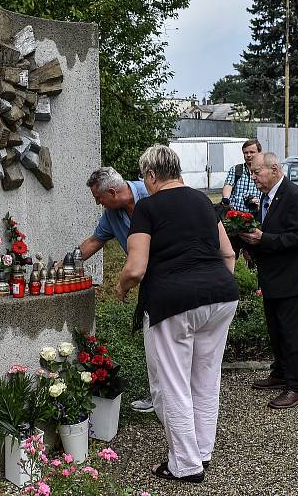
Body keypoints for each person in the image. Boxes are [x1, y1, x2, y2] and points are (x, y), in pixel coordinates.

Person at [117, 145, 239, 483]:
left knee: (172, 383)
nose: (144, 182)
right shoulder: (203, 201)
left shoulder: (147, 207)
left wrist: (122, 287)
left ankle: (185, 465)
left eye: (144, 176)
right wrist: (212, 285)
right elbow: (227, 254)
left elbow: (136, 267)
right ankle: (201, 452)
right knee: (205, 379)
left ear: (152, 176)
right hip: (221, 297)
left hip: (172, 303)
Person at [238, 152, 298, 409]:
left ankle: (296, 387)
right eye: (251, 172)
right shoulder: (266, 196)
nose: (253, 177)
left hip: (292, 278)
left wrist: (263, 239)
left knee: (291, 333)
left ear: (274, 169)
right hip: (273, 276)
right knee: (276, 330)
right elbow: (273, 231)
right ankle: (280, 373)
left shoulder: (294, 195)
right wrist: (252, 247)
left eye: (257, 172)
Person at [74, 167, 154, 413]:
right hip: (148, 280)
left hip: (174, 274)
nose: (98, 203)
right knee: (153, 338)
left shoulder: (151, 195)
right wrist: (67, 262)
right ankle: (158, 394)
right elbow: (94, 241)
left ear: (111, 192)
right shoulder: (111, 215)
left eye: (98, 198)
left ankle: (177, 395)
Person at [220, 139, 262, 257]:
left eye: (252, 152)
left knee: (253, 255)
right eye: (245, 153)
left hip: (253, 220)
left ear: (259, 152)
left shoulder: (263, 171)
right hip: (234, 219)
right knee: (230, 253)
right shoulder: (236, 169)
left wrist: (259, 203)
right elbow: (228, 185)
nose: (248, 155)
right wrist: (226, 199)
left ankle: (251, 271)